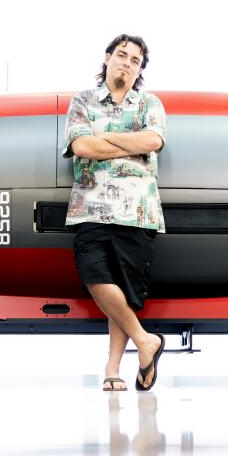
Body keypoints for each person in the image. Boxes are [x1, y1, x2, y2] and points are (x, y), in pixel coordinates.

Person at [61, 34, 167, 392]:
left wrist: (103, 142)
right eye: (122, 55)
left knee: (124, 291)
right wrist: (128, 143)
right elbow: (80, 145)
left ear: (140, 69)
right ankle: (145, 341)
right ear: (107, 58)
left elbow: (153, 141)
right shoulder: (83, 101)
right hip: (89, 206)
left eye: (135, 60)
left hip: (136, 209)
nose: (127, 62)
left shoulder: (149, 103)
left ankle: (112, 367)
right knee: (94, 277)